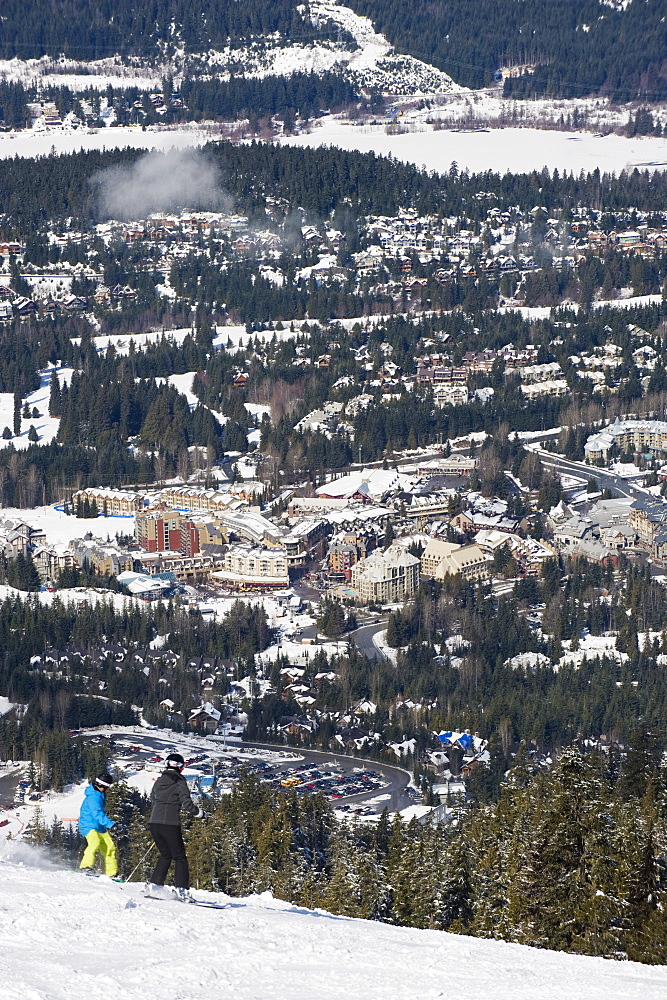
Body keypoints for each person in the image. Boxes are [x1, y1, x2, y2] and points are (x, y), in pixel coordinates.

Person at [146, 753, 205, 901]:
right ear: (181, 767)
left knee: (166, 854)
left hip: (154, 822)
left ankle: (154, 886)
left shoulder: (159, 781)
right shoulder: (180, 782)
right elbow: (187, 804)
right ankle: (182, 890)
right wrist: (201, 814)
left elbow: (153, 799)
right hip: (170, 823)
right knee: (180, 857)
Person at [79, 772, 119, 878]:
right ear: (99, 785)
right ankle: (85, 866)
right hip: (88, 825)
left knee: (109, 847)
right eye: (106, 787)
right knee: (94, 842)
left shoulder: (100, 794)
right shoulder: (93, 797)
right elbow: (97, 814)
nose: (106, 789)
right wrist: (111, 824)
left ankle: (112, 872)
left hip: (99, 826)